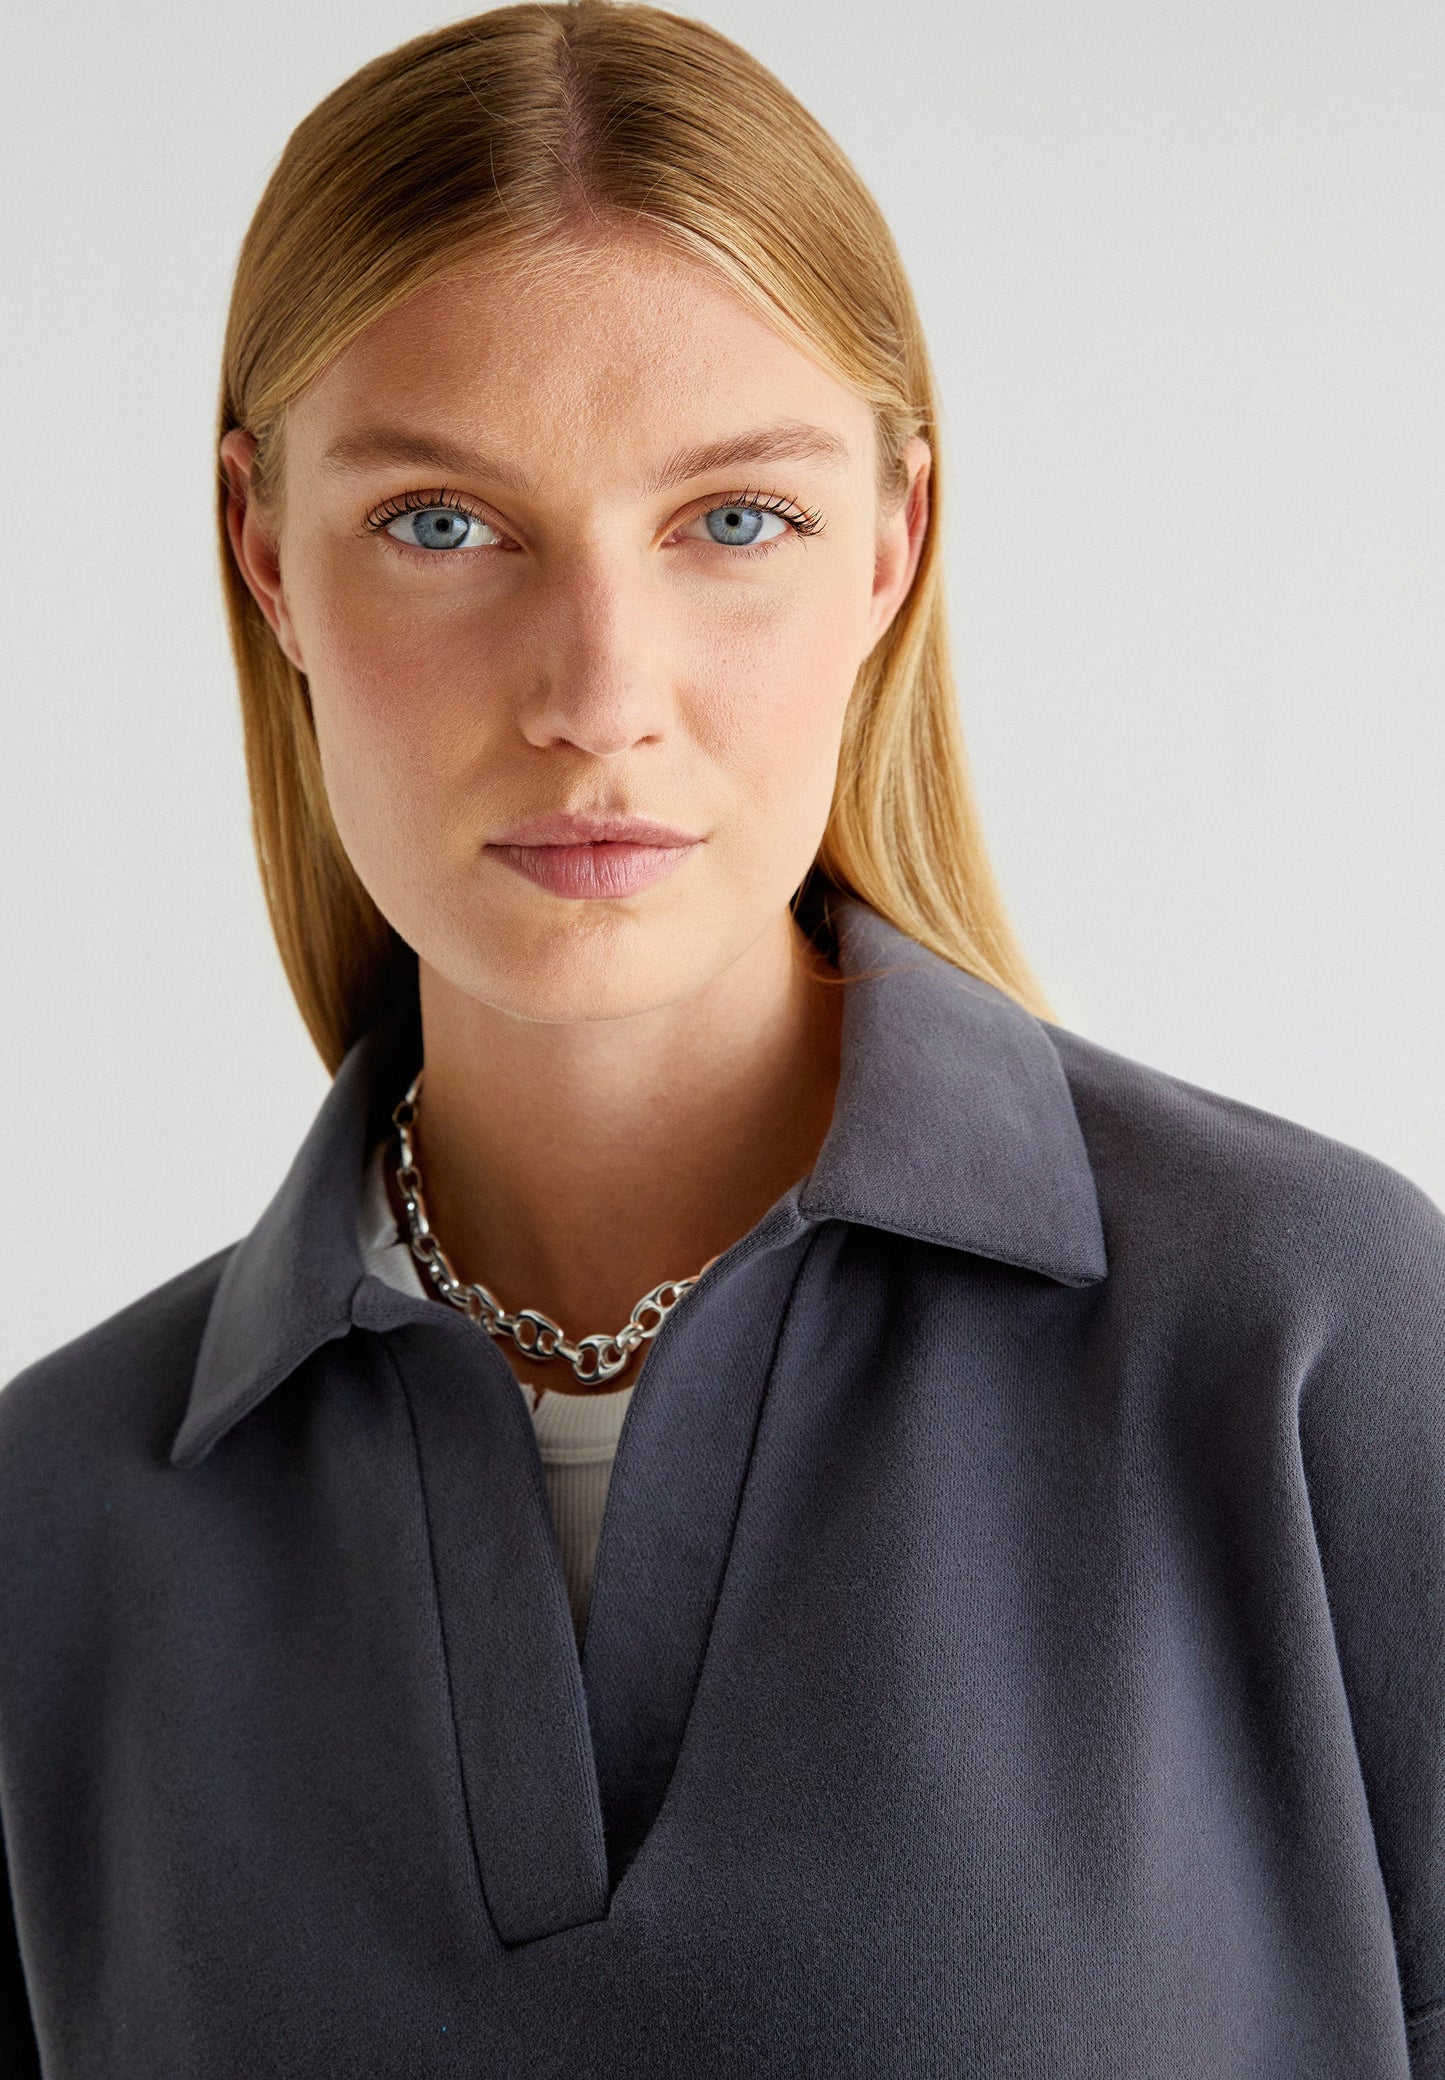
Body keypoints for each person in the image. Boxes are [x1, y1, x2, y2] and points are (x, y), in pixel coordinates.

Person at [2, 4, 1443, 2074]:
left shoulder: (1315, 1340)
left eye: (735, 519)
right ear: (264, 552)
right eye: (443, 521)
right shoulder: (55, 1526)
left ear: (893, 545)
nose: (600, 694)